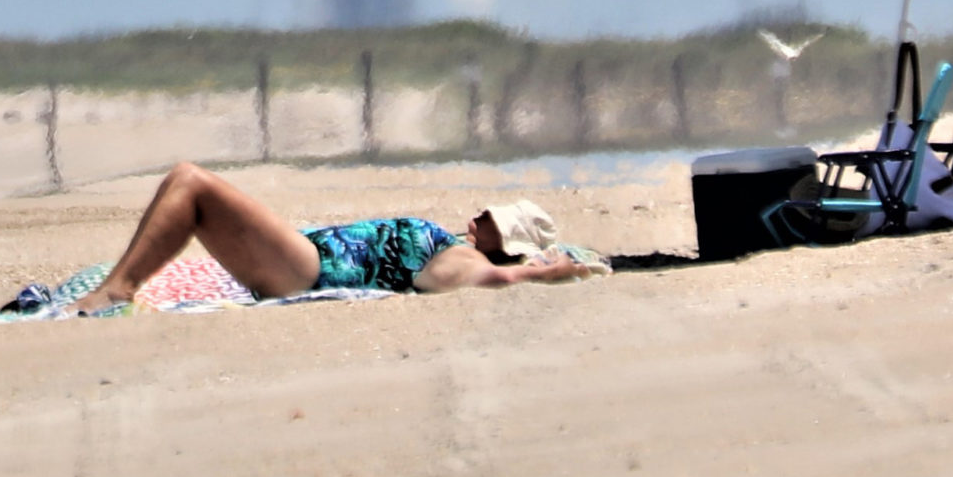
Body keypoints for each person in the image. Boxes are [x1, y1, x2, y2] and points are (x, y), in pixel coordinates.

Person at [66, 161, 588, 315]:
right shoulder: (451, 240)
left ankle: (118, 288)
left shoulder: (461, 255)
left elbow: (480, 276)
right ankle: (120, 281)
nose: (479, 214)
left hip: (308, 271)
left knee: (191, 183)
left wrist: (534, 273)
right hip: (300, 258)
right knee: (187, 184)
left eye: (493, 217)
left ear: (506, 240)